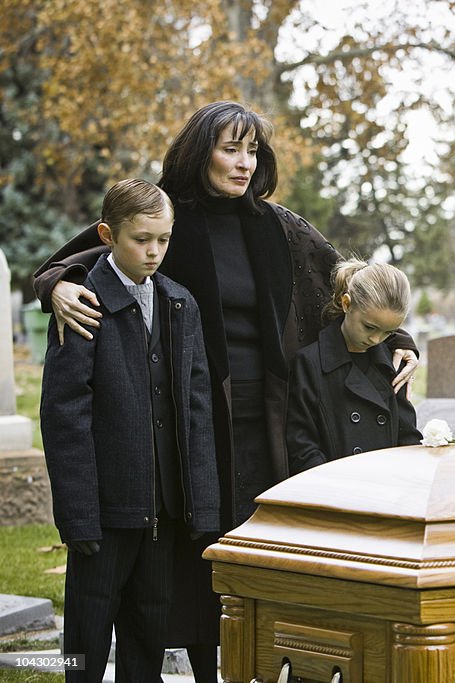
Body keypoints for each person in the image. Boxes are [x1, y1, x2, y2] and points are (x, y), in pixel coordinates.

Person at [33, 101, 418, 682]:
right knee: (189, 555)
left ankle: (259, 662)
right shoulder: (167, 212)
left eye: (253, 150)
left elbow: (348, 282)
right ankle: (194, 669)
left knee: (258, 548)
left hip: (266, 418)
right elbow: (90, 252)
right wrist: (57, 285)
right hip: (188, 415)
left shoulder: (278, 226)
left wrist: (399, 338)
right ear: (200, 152)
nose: (244, 164)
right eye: (230, 149)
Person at [39, 179, 219, 683]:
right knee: (86, 639)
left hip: (163, 513)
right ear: (107, 234)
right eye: (141, 239)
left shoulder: (181, 303)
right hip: (104, 512)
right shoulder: (81, 304)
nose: (154, 251)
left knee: (146, 637)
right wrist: (77, 517)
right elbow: (63, 416)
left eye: (163, 239)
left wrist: (201, 506)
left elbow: (197, 410)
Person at [287, 259, 422, 474]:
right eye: (369, 327)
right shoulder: (310, 362)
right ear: (346, 304)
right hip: (333, 491)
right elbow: (302, 444)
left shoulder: (394, 361)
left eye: (388, 332)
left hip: (388, 488)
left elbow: (408, 436)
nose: (376, 339)